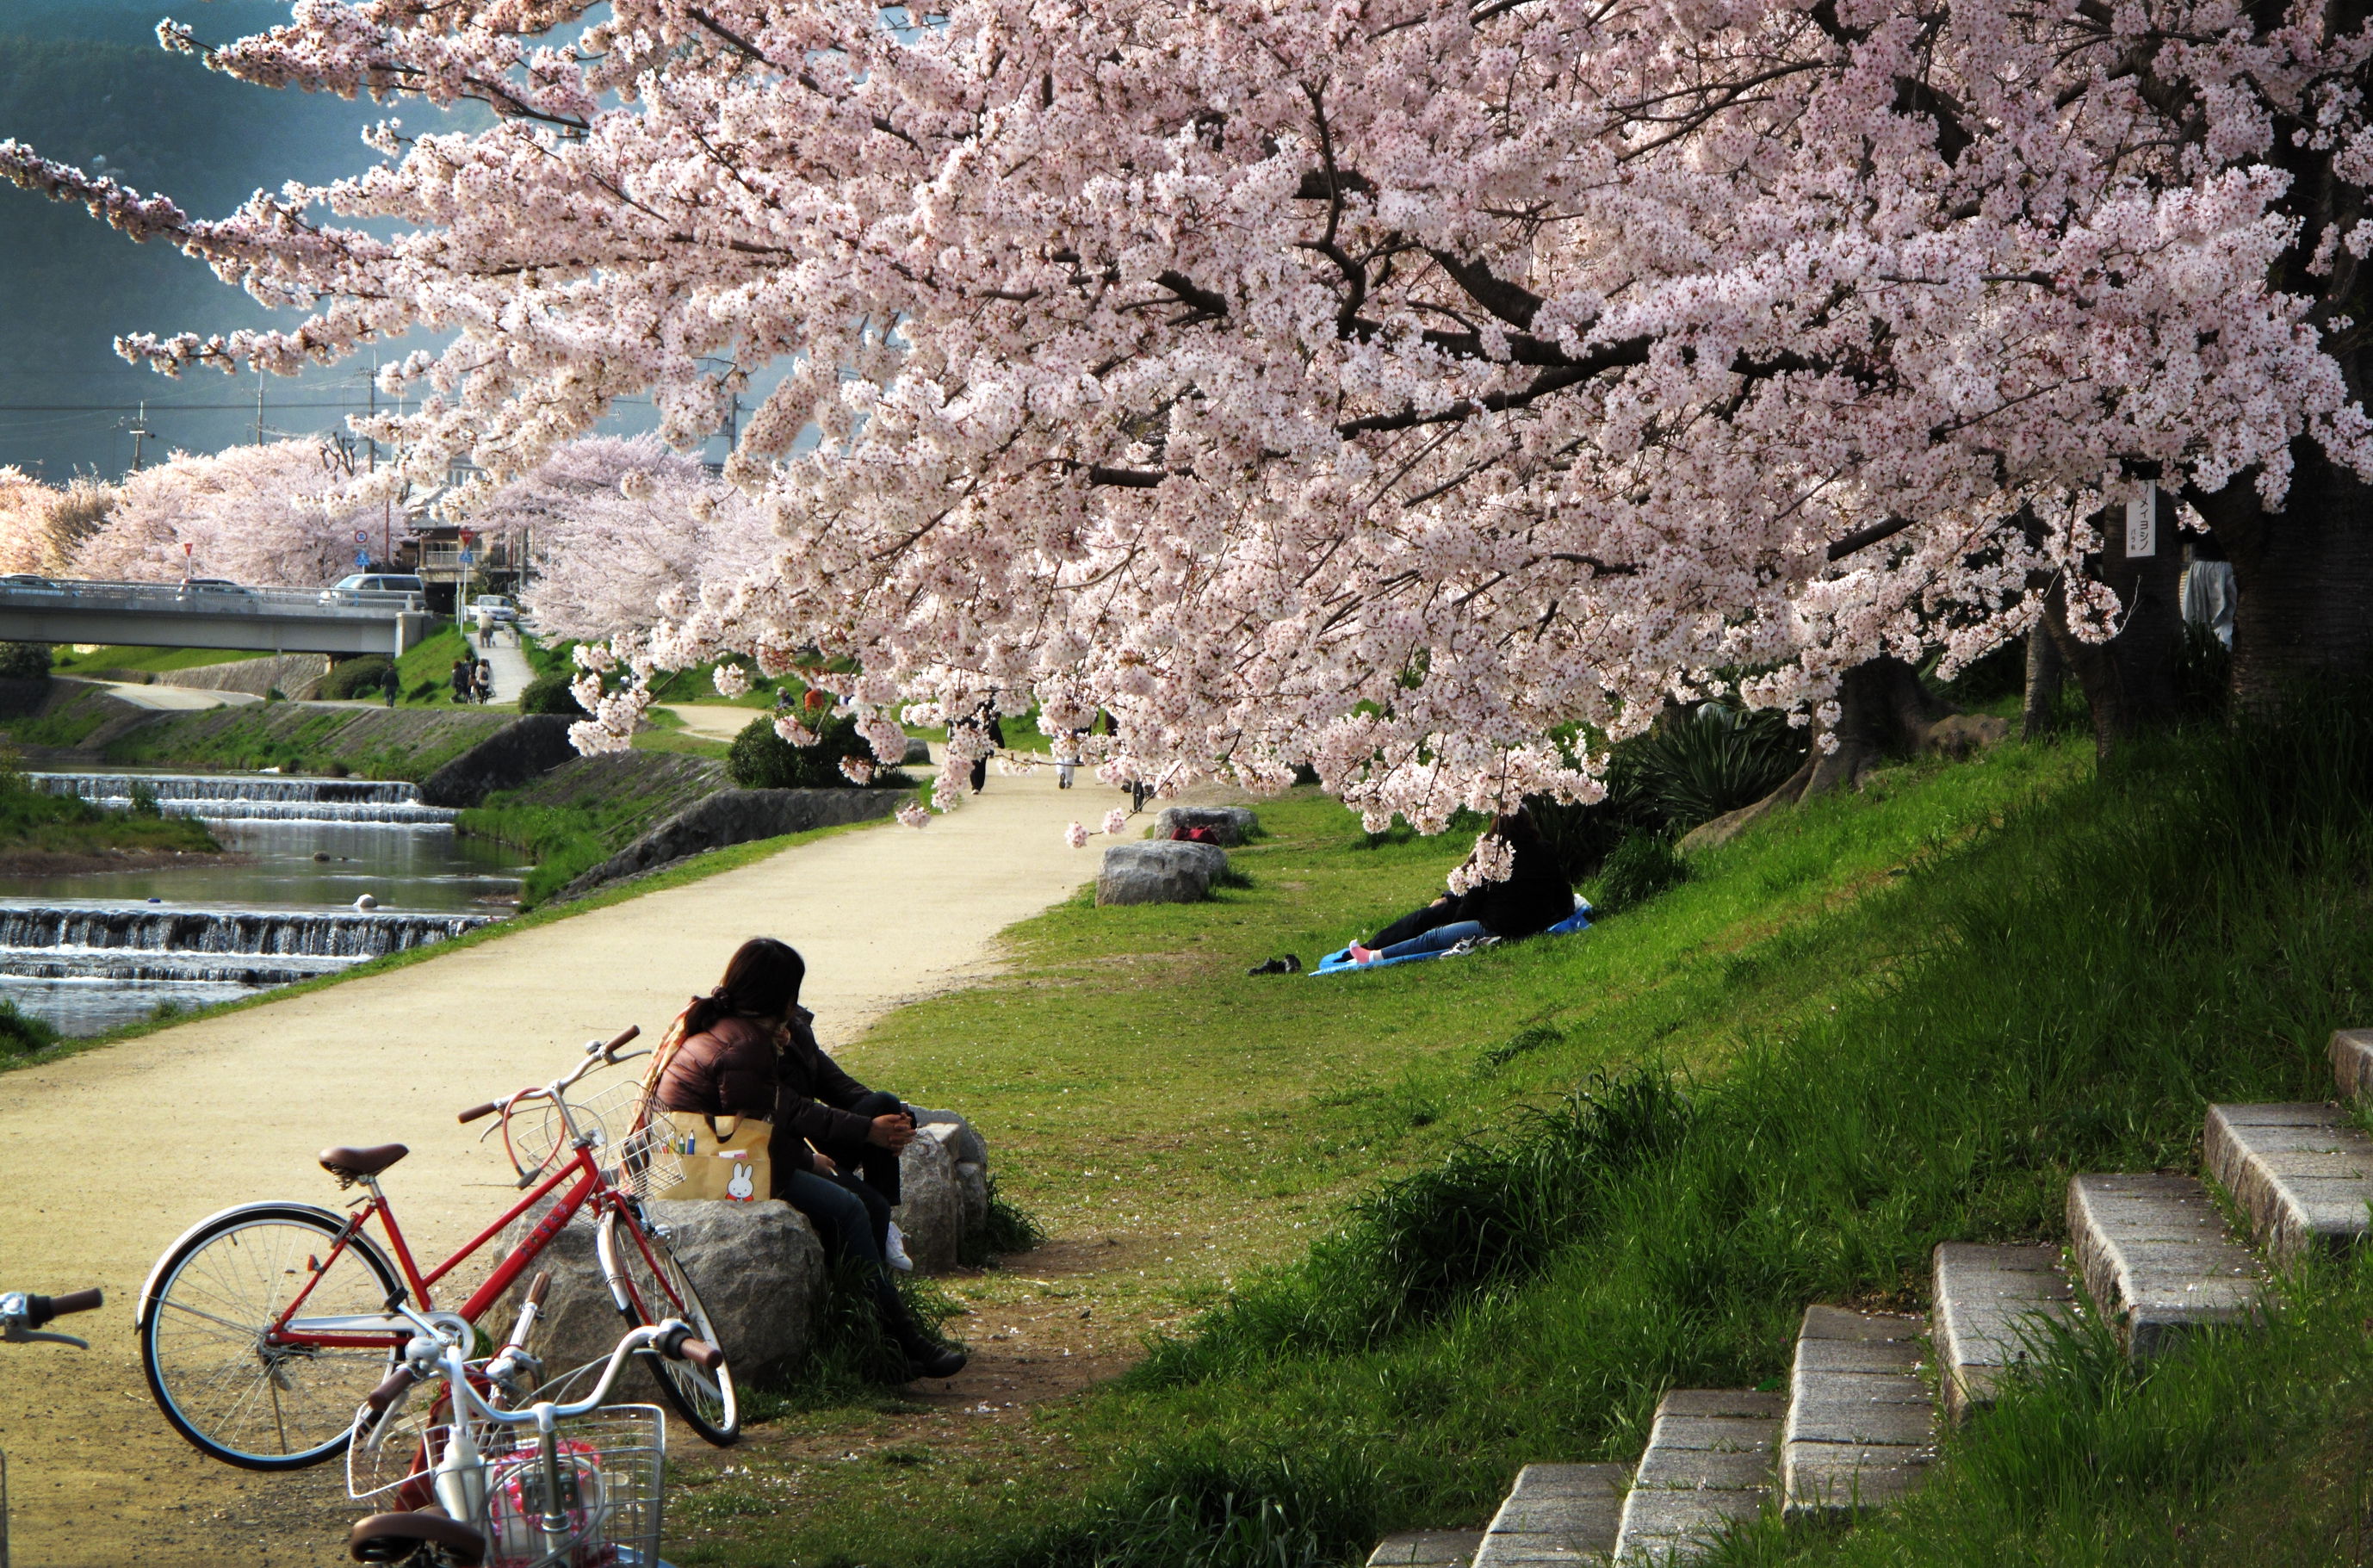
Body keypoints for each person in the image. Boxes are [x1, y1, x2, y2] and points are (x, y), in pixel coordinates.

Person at [651, 937, 968, 1380]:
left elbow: (808, 1100)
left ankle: (886, 1340)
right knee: (853, 1210)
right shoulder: (744, 1045)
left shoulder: (760, 1031)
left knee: (868, 1198)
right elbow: (785, 1115)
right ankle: (897, 1339)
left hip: (749, 1154)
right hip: (721, 1168)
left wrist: (888, 1121)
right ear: (779, 994)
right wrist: (844, 1142)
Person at [1348, 808, 1575, 964]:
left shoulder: (1492, 857)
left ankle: (1374, 955)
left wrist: (1454, 927)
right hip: (1535, 921)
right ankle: (1374, 948)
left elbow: (1472, 903)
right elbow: (1562, 891)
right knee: (1436, 913)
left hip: (1499, 927)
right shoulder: (1545, 849)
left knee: (1432, 936)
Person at [965, 700, 1005, 793]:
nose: (984, 713)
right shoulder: (974, 721)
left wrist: (1001, 743)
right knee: (974, 764)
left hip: (985, 747)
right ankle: (974, 785)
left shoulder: (992, 722)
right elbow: (967, 732)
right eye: (983, 711)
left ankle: (978, 786)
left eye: (986, 711)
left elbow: (997, 733)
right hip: (974, 747)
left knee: (981, 766)